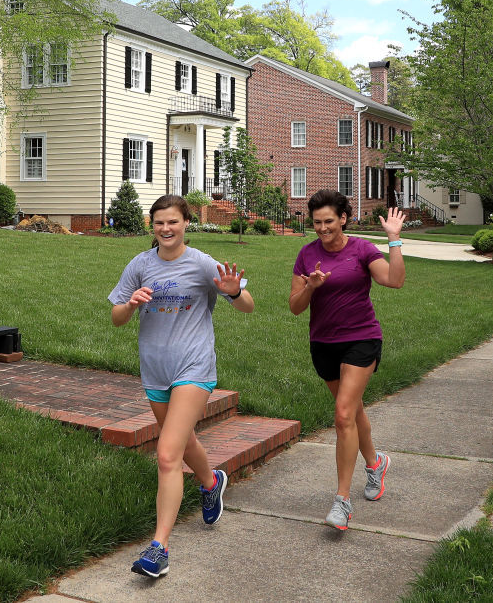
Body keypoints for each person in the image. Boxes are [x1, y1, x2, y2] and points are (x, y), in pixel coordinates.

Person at [109, 194, 255, 577]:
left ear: (187, 222)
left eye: (173, 222)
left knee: (168, 454)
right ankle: (211, 482)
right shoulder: (140, 264)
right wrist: (131, 304)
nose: (166, 229)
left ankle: (159, 548)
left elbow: (247, 306)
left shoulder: (203, 263)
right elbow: (116, 317)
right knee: (184, 441)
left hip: (194, 368)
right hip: (155, 370)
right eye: (159, 223)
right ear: (151, 226)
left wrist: (234, 291)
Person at [289, 190, 405, 530]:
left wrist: (394, 241)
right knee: (352, 410)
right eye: (317, 223)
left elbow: (394, 281)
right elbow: (295, 307)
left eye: (329, 221)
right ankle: (375, 463)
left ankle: (342, 501)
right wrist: (310, 286)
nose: (323, 229)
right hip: (323, 343)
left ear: (343, 218)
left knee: (342, 415)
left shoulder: (362, 249)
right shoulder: (306, 255)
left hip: (361, 339)